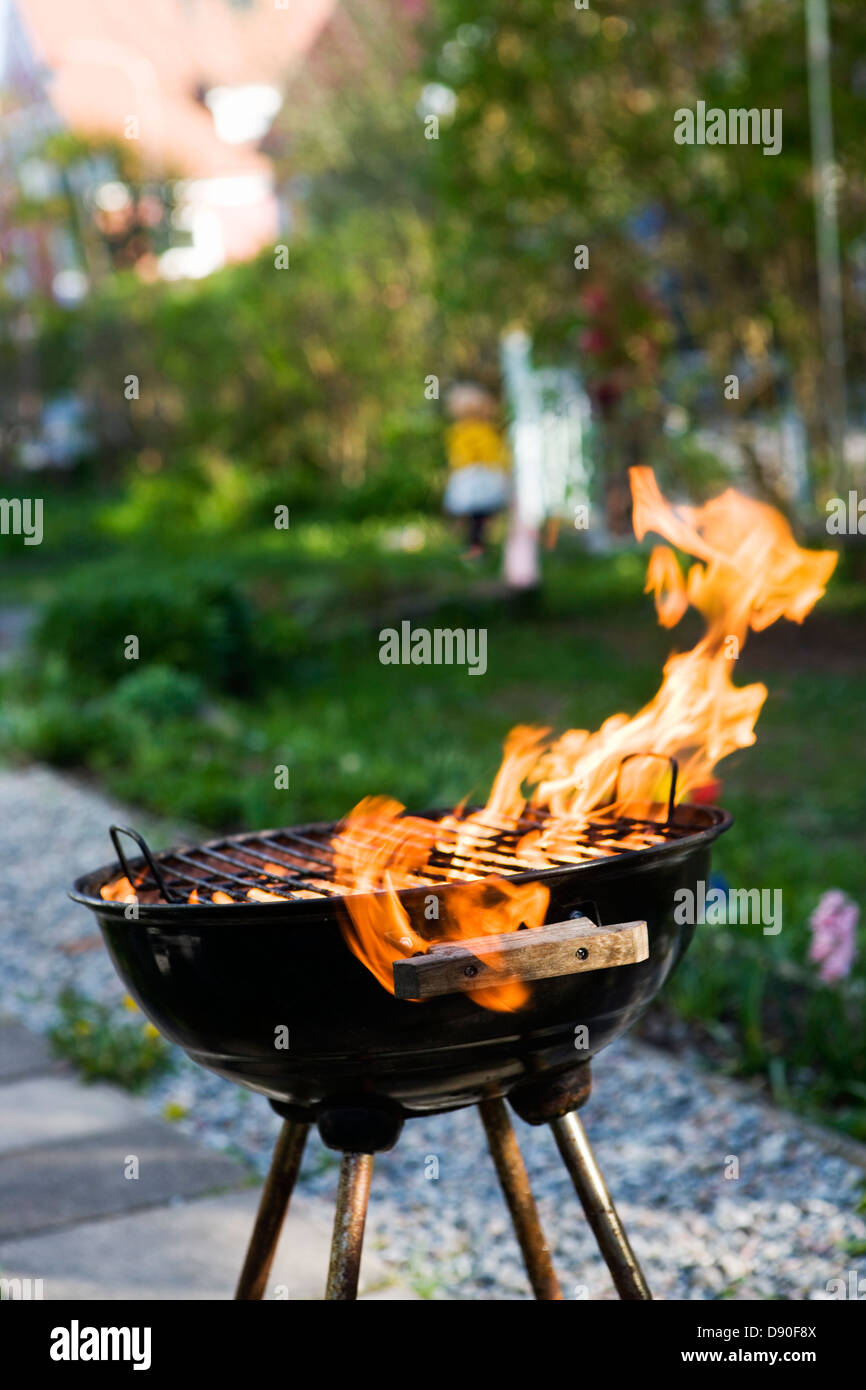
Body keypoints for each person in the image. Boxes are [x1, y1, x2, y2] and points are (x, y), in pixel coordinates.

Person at [442, 382, 510, 559]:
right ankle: (476, 545)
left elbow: (492, 453)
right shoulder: (465, 431)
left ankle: (476, 546)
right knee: (476, 515)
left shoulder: (479, 431)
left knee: (478, 514)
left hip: (478, 478)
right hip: (473, 477)